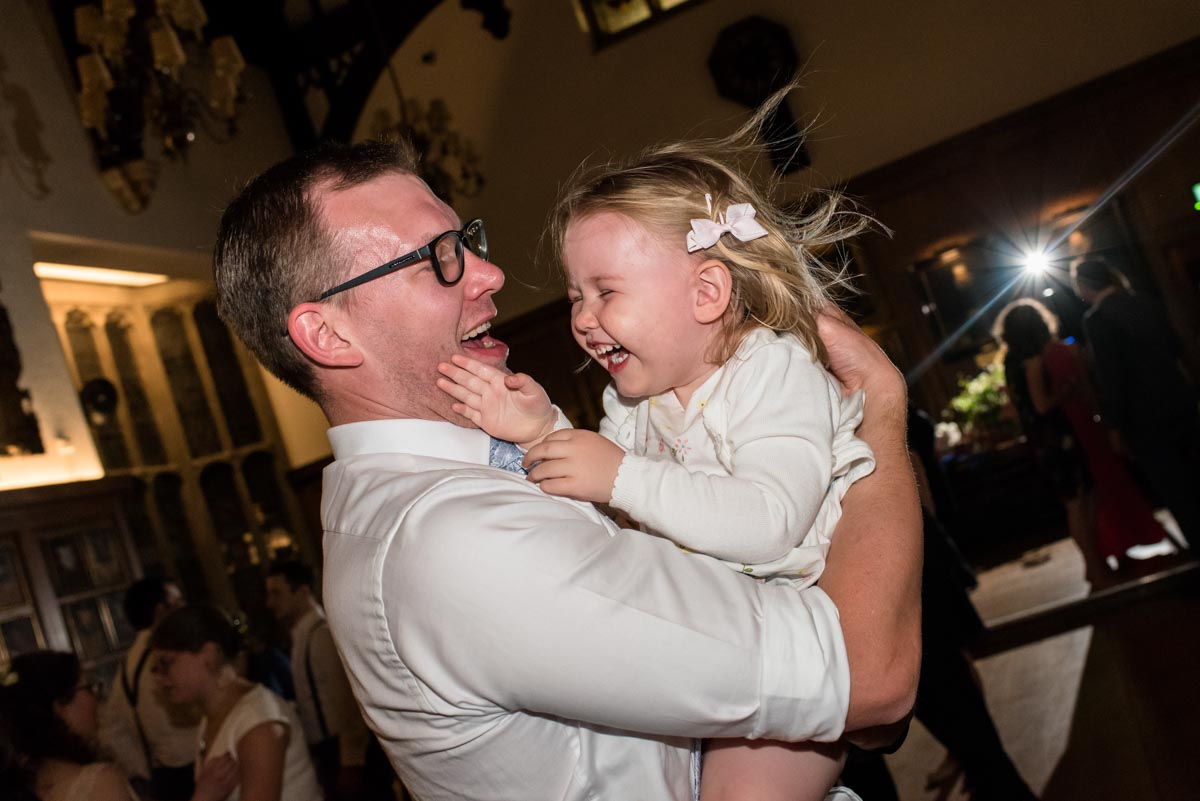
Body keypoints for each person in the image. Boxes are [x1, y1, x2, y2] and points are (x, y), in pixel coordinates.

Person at [209, 126, 922, 799]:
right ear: (328, 333)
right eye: (439, 258)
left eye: (468, 240)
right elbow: (870, 676)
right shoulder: (453, 541)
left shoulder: (463, 479)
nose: (489, 272)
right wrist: (880, 410)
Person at [436, 130, 879, 801]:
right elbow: (613, 505)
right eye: (575, 295)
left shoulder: (770, 368)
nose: (583, 319)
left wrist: (619, 474)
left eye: (606, 291)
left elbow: (769, 524)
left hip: (802, 630)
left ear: (706, 293)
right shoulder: (634, 401)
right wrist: (541, 429)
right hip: (718, 631)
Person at [994, 298, 1171, 578]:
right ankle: (1095, 567)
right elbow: (1042, 404)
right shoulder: (1031, 361)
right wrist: (1066, 392)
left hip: (1043, 441)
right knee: (1080, 504)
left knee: (1081, 502)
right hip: (1058, 439)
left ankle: (1096, 565)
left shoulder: (1010, 361)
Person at [1070, 257, 1200, 551]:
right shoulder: (1143, 302)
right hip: (1180, 400)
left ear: (1085, 285)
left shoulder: (1097, 319)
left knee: (1175, 488)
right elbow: (1177, 346)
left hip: (1144, 417)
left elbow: (1112, 377)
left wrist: (1114, 425)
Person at [0, 650, 237, 801]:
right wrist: (205, 795)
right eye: (87, 689)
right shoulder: (97, 782)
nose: (95, 699)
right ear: (60, 707)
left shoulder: (25, 784)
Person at [151, 605, 323, 801]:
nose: (159, 678)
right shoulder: (213, 716)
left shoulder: (258, 720)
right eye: (156, 668)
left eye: (167, 663)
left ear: (208, 654)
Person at [264, 559, 374, 799]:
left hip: (341, 752)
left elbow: (348, 704)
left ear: (302, 591)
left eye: (277, 593)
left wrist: (350, 762)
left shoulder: (321, 635)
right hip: (327, 752)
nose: (269, 603)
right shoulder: (301, 636)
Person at [99, 577, 200, 800]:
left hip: (165, 778)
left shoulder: (124, 670)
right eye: (179, 602)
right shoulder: (171, 658)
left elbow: (112, 733)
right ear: (160, 611)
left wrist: (145, 766)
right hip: (198, 768)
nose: (185, 609)